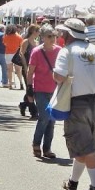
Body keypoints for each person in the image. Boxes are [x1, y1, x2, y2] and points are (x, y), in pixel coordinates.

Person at [54, 18, 95, 190]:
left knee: (86, 148)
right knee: (84, 146)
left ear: (68, 34)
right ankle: (73, 183)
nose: (60, 36)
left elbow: (58, 76)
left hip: (78, 104)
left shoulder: (67, 51)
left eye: (62, 33)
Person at [26, 26, 60, 159]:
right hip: (40, 89)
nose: (52, 39)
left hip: (55, 90)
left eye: (54, 36)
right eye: (49, 36)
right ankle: (36, 143)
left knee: (52, 120)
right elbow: (30, 72)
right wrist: (29, 88)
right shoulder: (36, 52)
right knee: (45, 116)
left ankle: (47, 148)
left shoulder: (59, 51)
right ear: (43, 38)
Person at [18, 24, 40, 118]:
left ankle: (23, 105)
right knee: (30, 88)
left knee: (31, 88)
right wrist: (25, 66)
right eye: (38, 31)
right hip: (27, 67)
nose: (39, 33)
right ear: (33, 31)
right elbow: (21, 54)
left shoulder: (36, 42)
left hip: (35, 68)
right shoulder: (26, 41)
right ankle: (33, 111)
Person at [3, 25, 22, 89]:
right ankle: (21, 82)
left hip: (8, 54)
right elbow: (20, 45)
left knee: (9, 70)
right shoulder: (19, 36)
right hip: (16, 54)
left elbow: (4, 44)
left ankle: (10, 83)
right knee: (18, 70)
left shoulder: (5, 36)